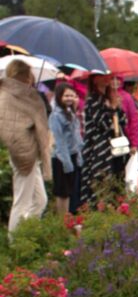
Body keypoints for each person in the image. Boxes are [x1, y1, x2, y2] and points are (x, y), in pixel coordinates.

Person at [0, 59, 51, 234]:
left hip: (32, 153)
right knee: (22, 202)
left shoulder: (24, 96)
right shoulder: (9, 97)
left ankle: (27, 233)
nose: (31, 79)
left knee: (40, 200)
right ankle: (16, 242)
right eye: (28, 75)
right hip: (22, 153)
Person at [81, 74, 129, 205]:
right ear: (94, 79)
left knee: (118, 178)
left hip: (116, 146)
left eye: (109, 76)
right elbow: (103, 124)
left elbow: (123, 121)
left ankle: (117, 207)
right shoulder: (92, 100)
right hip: (99, 147)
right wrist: (112, 109)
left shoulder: (111, 97)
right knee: (101, 179)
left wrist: (116, 107)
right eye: (103, 76)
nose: (107, 78)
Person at [49, 82, 83, 218]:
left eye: (72, 95)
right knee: (62, 192)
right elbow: (59, 140)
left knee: (69, 191)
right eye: (66, 96)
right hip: (61, 158)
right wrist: (66, 162)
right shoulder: (56, 116)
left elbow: (76, 136)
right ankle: (61, 222)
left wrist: (79, 155)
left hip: (73, 155)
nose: (69, 98)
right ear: (59, 96)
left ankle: (66, 220)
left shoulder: (70, 112)